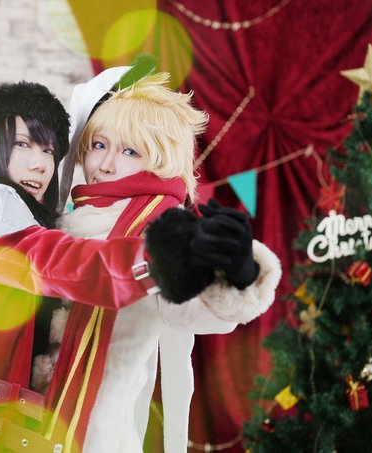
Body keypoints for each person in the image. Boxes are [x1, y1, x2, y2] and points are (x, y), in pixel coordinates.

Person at [0, 81, 218, 453]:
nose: (40, 164)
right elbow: (75, 267)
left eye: (49, 150)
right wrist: (162, 255)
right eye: (22, 144)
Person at [40, 69, 282, 453]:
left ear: (161, 161)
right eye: (99, 145)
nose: (105, 165)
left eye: (130, 152)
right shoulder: (58, 220)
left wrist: (239, 274)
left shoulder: (159, 229)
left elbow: (186, 309)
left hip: (97, 438)